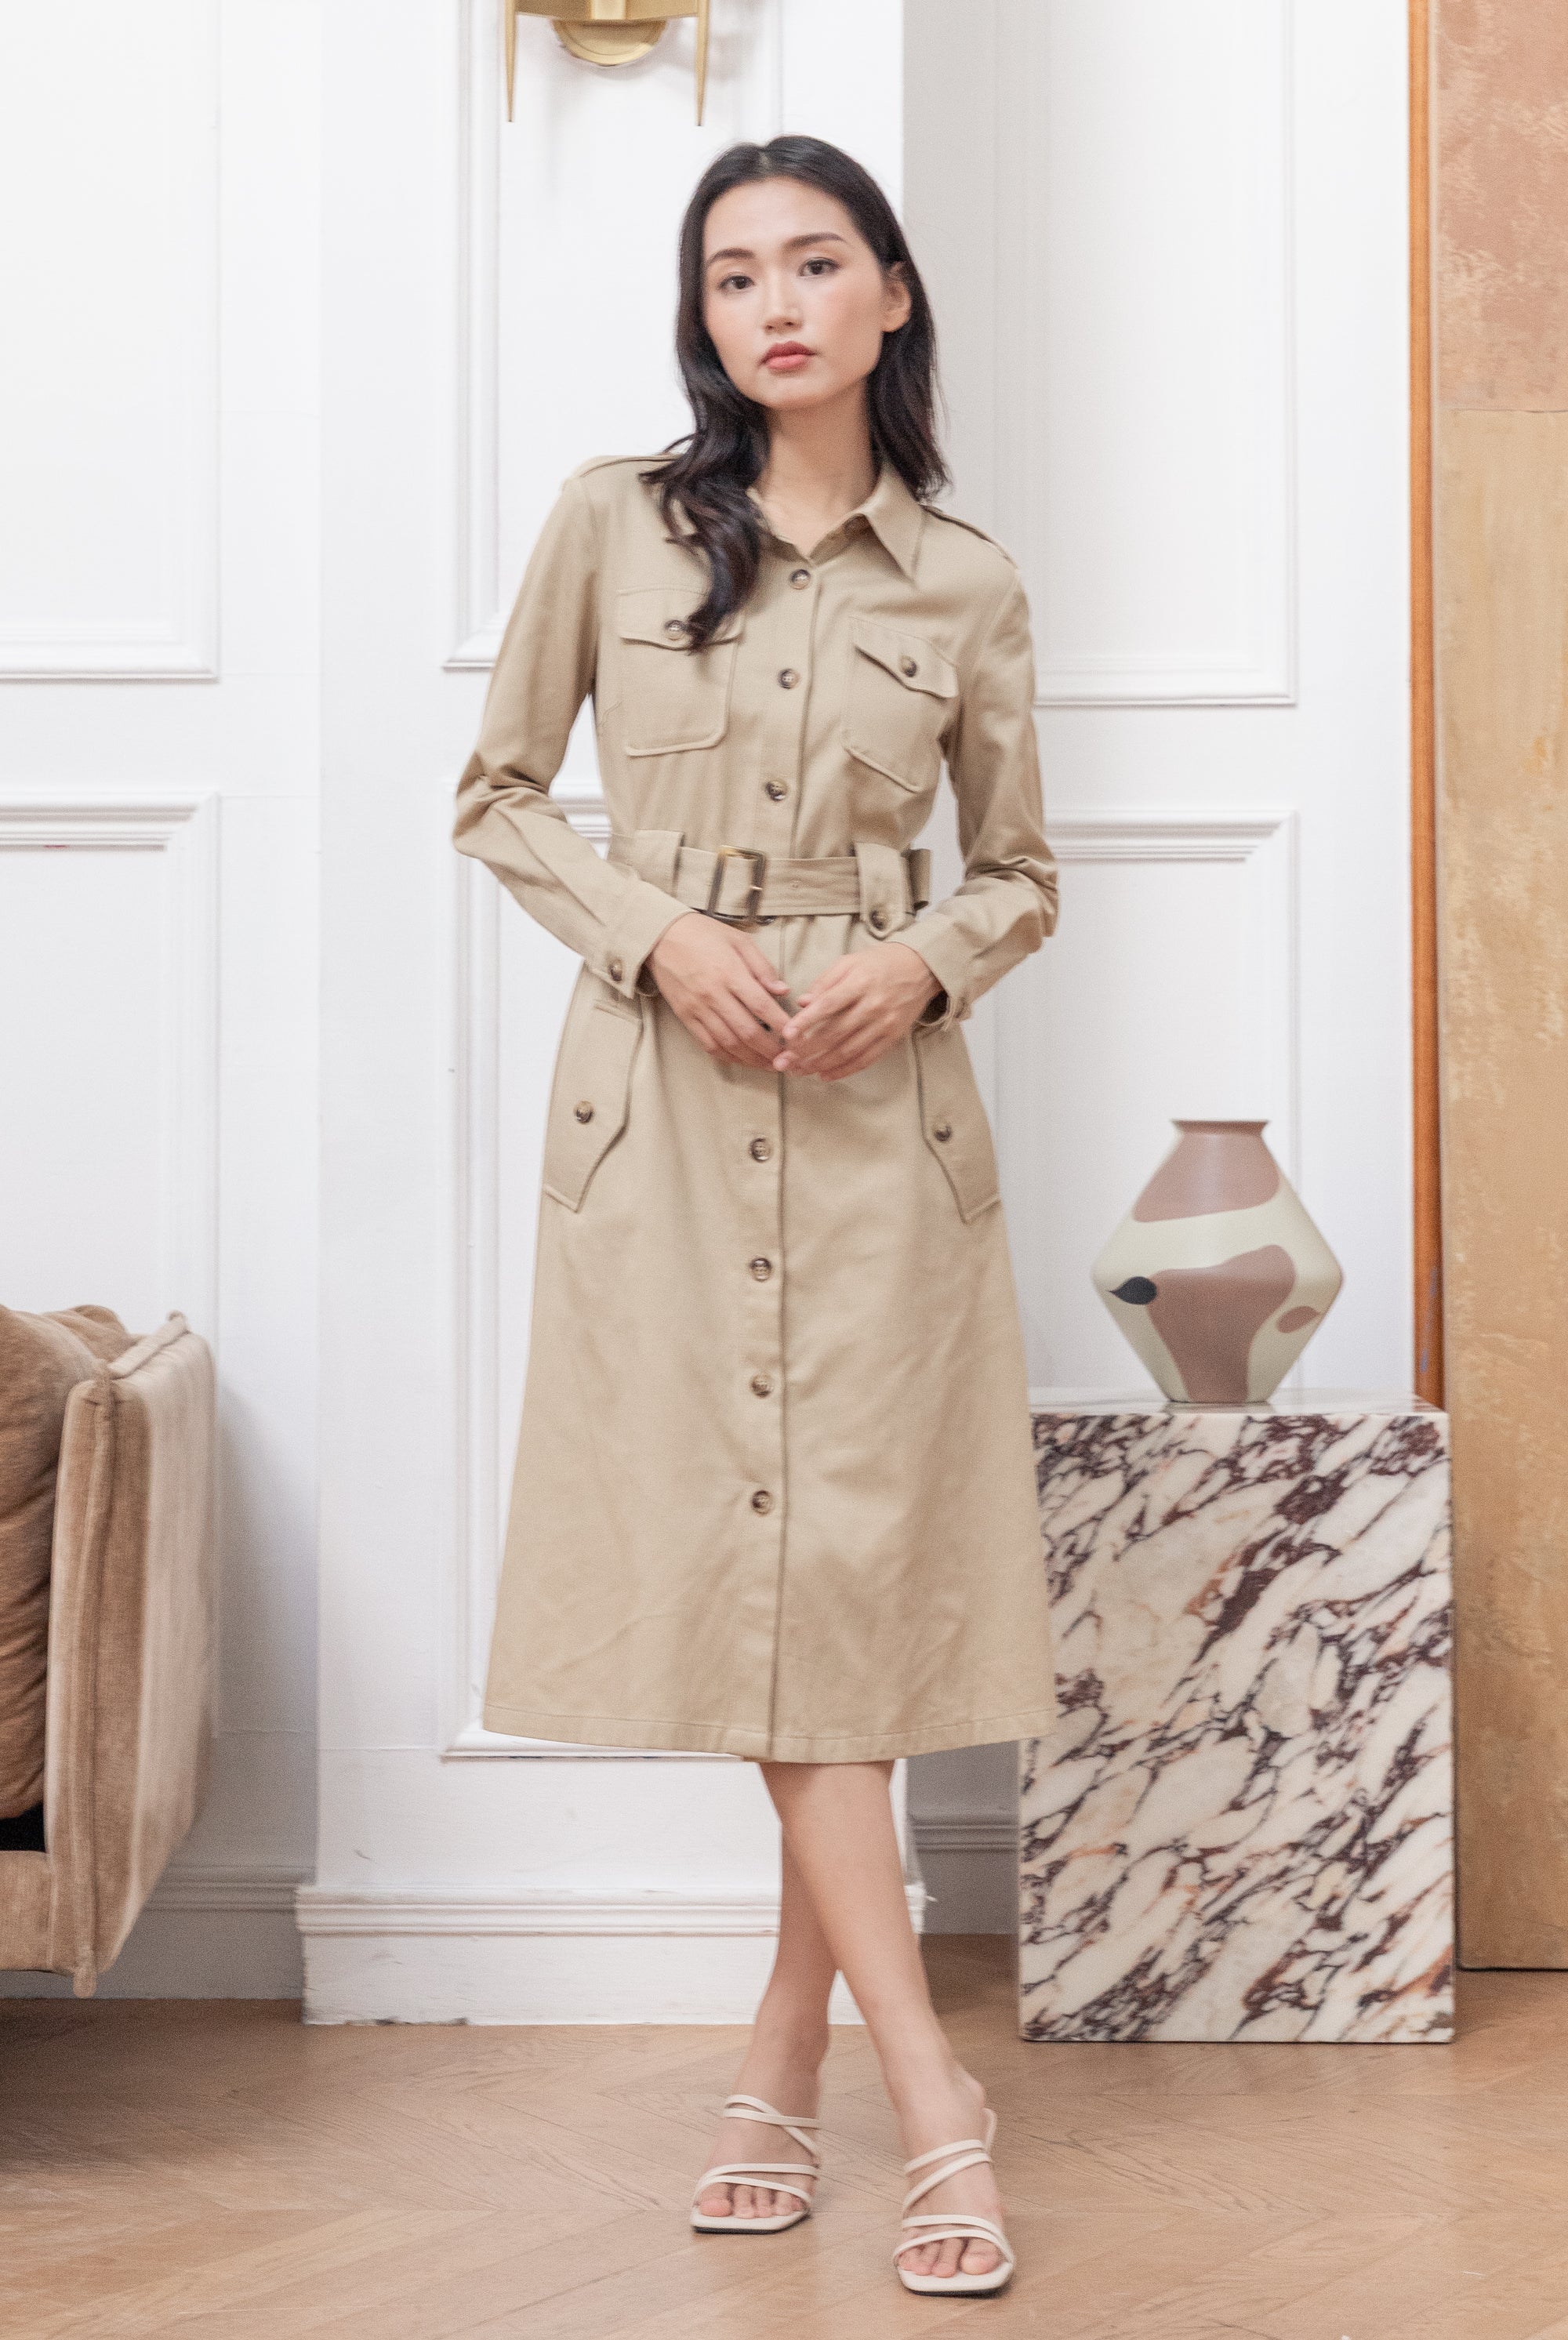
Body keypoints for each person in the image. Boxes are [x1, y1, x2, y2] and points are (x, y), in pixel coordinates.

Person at [452, 132, 1058, 2298]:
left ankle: (784, 2069)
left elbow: (1022, 871)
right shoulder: (610, 522)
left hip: (885, 1127)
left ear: (891, 294)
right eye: (732, 275)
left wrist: (926, 964)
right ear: (701, 314)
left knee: (843, 1596)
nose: (773, 305)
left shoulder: (964, 580)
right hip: (666, 1112)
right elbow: (498, 795)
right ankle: (932, 2094)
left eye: (814, 264)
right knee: (767, 1581)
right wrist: (653, 933)